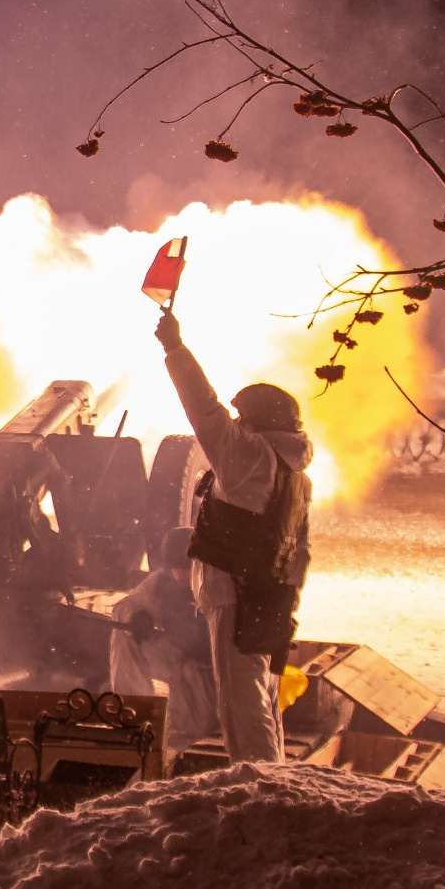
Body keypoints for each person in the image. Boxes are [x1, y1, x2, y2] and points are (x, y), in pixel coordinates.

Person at [154, 308, 312, 764]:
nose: (237, 423)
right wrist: (288, 601)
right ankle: (272, 777)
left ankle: (260, 785)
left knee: (241, 704)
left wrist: (175, 350)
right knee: (263, 695)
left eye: (243, 417)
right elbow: (300, 552)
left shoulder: (251, 458)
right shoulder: (296, 477)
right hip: (271, 596)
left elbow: (205, 410)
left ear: (256, 422)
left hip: (235, 593)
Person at [107, 526, 217, 750]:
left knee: (199, 730)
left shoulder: (219, 582)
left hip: (212, 670)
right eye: (173, 568)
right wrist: (137, 617)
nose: (178, 575)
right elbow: (123, 608)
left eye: (184, 568)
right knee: (123, 634)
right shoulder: (161, 583)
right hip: (178, 657)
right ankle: (133, 715)